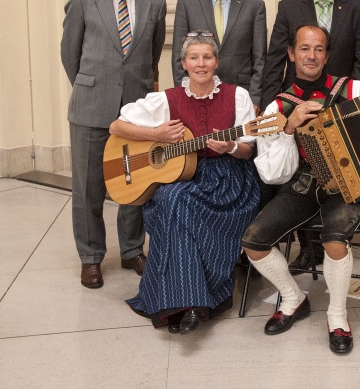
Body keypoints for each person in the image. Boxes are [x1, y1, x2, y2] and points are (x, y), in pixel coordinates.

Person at [242, 24, 360, 354]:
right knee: (253, 241)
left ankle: (337, 315)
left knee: (334, 240)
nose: (311, 55)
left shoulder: (354, 89)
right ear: (291, 54)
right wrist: (289, 128)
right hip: (305, 183)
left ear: (327, 56)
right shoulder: (278, 107)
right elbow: (275, 175)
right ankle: (293, 298)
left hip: (355, 185)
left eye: (318, 49)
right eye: (304, 48)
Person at [111, 33, 260, 334]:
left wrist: (230, 147)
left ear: (216, 62)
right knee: (168, 201)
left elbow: (248, 150)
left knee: (175, 203)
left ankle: (177, 302)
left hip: (229, 180)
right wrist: (156, 135)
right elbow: (117, 125)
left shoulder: (237, 96)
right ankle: (192, 302)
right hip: (184, 175)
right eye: (194, 57)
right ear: (183, 64)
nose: (201, 64)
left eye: (207, 57)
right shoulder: (166, 100)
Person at [61, 0, 167, 289]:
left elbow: (150, 57)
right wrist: (92, 86)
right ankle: (91, 257)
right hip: (90, 109)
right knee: (89, 187)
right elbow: (69, 53)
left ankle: (132, 250)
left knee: (134, 182)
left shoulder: (155, 2)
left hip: (136, 112)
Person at [259, 0, 360, 272]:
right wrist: (273, 109)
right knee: (299, 173)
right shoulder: (289, 7)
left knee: (335, 172)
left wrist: (354, 108)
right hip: (299, 105)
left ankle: (334, 238)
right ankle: (309, 248)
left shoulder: (356, 7)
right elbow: (274, 60)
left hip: (340, 107)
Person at [171, 0, 267, 110]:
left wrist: (254, 99)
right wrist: (183, 97)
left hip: (240, 97)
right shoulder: (187, 4)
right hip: (197, 95)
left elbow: (259, 60)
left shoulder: (255, 6)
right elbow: (179, 58)